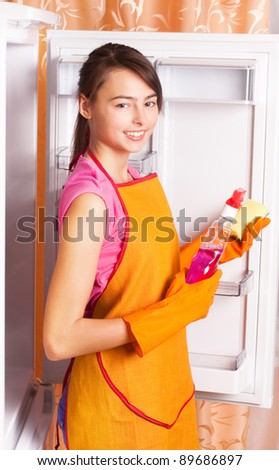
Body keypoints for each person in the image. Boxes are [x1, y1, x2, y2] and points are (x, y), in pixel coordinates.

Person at [43, 43, 270, 450]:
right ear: (86, 106)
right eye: (122, 104)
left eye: (149, 102)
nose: (141, 119)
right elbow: (59, 339)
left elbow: (136, 275)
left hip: (160, 387)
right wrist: (167, 318)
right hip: (112, 405)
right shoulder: (91, 201)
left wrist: (215, 243)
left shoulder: (131, 175)